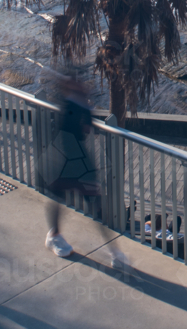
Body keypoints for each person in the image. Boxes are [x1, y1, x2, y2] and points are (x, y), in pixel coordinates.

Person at [41, 74, 124, 268]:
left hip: (77, 159)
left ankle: (115, 252)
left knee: (91, 202)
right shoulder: (70, 106)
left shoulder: (78, 104)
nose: (84, 84)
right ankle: (53, 236)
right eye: (77, 81)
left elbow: (85, 128)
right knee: (62, 198)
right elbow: (78, 129)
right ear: (69, 85)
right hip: (65, 159)